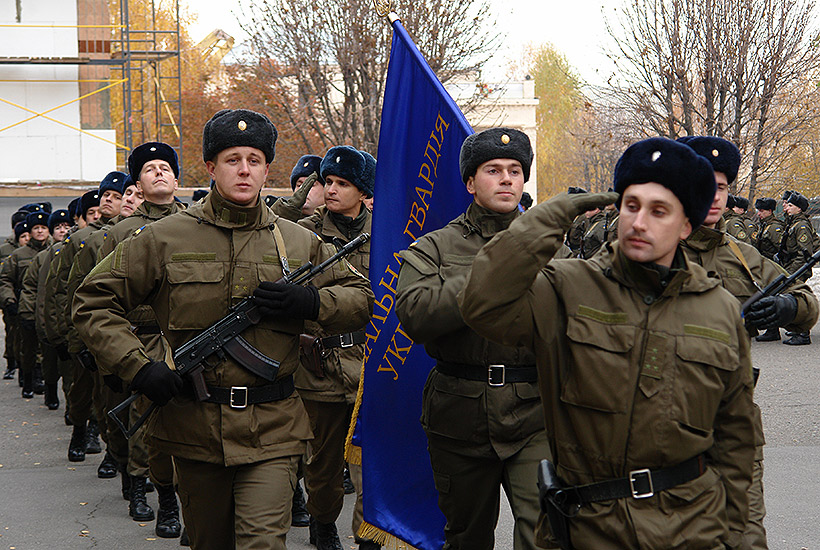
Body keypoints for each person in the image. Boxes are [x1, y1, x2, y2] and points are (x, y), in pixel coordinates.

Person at [72, 108, 375, 550]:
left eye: (255, 160)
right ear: (211, 168)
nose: (244, 170)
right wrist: (138, 367)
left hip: (274, 427)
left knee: (263, 543)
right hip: (194, 426)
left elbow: (362, 296)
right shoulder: (166, 237)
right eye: (233, 160)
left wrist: (313, 302)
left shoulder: (299, 241)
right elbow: (93, 300)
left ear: (267, 170)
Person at [460, 137, 755, 550]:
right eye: (631, 206)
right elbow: (482, 305)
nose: (639, 223)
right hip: (588, 525)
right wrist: (548, 218)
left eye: (658, 211)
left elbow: (737, 442)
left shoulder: (718, 309)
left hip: (692, 525)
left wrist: (746, 539)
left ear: (686, 226)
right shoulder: (568, 286)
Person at [395, 128, 548, 550]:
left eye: (515, 170)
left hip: (534, 412)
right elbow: (415, 315)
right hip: (459, 415)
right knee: (467, 537)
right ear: (470, 183)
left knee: (545, 532)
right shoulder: (434, 247)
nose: (506, 179)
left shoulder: (551, 247)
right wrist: (491, 273)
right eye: (493, 170)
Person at [678, 135, 819, 550]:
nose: (714, 195)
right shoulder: (649, 250)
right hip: (662, 417)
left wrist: (786, 307)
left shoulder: (741, 255)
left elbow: (805, 299)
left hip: (732, 419)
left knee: (745, 534)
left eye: (722, 186)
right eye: (704, 183)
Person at [294, 145, 375, 550]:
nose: (331, 189)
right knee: (322, 462)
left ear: (363, 192)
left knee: (370, 461)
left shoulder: (385, 231)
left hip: (372, 364)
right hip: (320, 364)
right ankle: (323, 522)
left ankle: (369, 535)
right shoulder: (303, 233)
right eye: (328, 181)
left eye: (343, 183)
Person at [18, 209, 72, 409]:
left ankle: (72, 407)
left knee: (70, 368)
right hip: (47, 318)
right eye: (57, 227)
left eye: (66, 227)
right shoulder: (43, 258)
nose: (62, 230)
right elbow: (31, 287)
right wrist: (28, 314)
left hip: (67, 319)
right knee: (49, 363)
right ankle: (50, 389)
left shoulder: (75, 251)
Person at [0, 211, 53, 397]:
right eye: (36, 228)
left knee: (45, 348)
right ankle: (28, 377)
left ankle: (41, 380)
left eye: (43, 228)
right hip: (26, 305)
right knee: (27, 347)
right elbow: (5, 279)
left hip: (48, 306)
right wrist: (9, 301)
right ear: (29, 232)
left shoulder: (55, 251)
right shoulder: (18, 255)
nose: (40, 231)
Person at [777, 191, 818, 345]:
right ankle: (798, 329)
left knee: (799, 300)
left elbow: (804, 253)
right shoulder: (793, 223)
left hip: (798, 268)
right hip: (793, 266)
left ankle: (803, 334)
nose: (786, 208)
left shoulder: (801, 225)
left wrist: (792, 272)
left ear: (799, 208)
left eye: (790, 205)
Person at [2, 209, 31, 380]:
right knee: (12, 333)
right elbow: (4, 278)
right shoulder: (6, 249)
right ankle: (11, 362)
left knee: (27, 338)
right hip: (12, 298)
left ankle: (26, 369)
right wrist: (7, 299)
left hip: (28, 300)